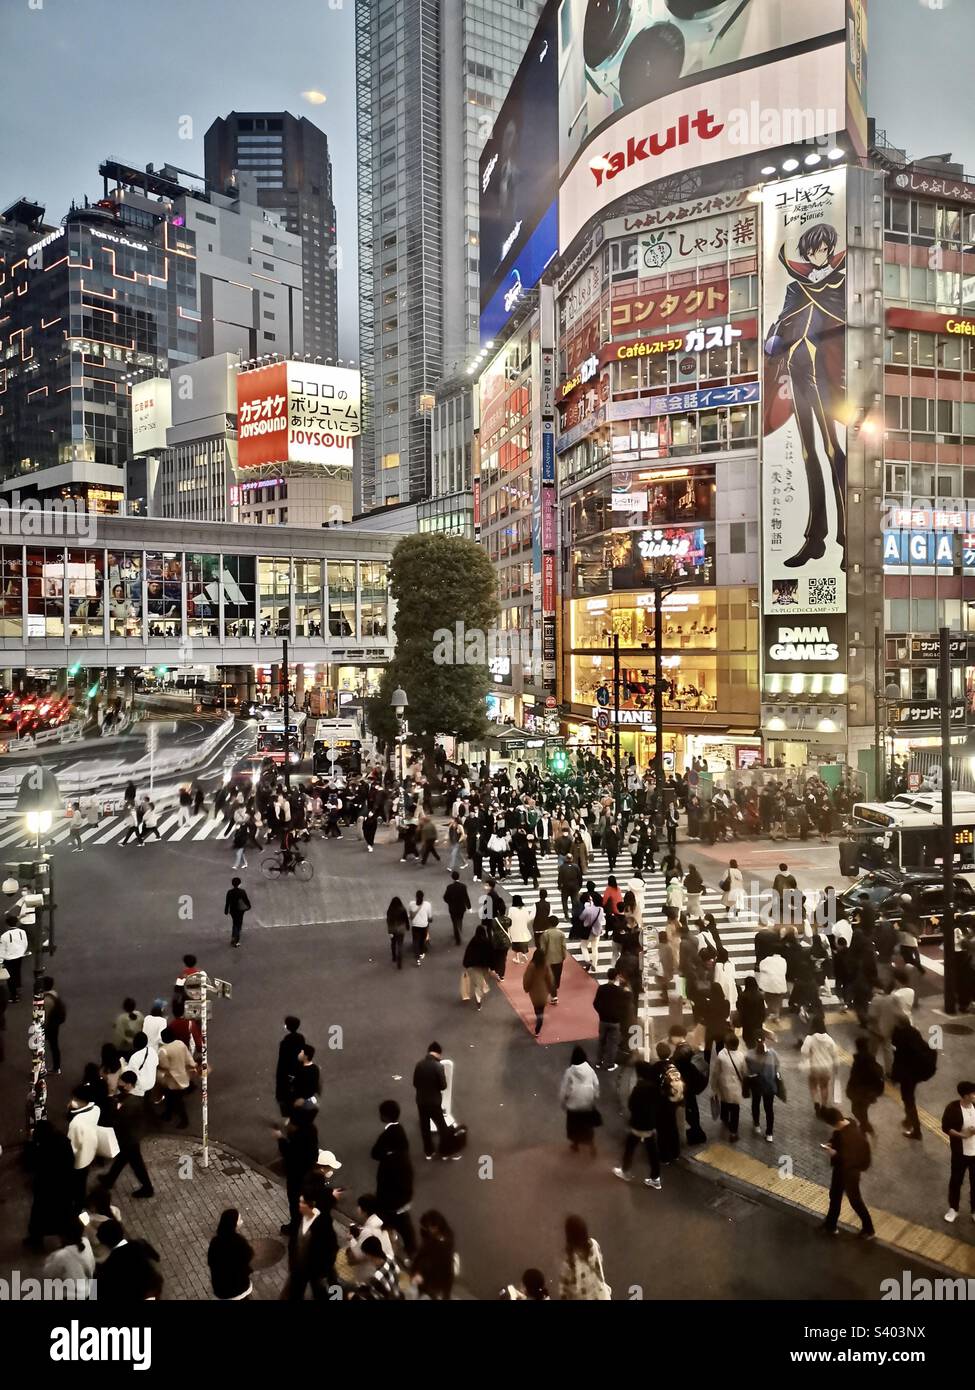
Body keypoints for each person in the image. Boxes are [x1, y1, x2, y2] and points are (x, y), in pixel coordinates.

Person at [819, 1107, 875, 1239]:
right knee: (835, 1195)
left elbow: (849, 1159)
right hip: (841, 1170)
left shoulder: (850, 1136)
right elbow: (837, 1138)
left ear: (835, 1123)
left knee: (855, 1200)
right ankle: (830, 1225)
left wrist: (834, 1154)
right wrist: (831, 1143)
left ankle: (869, 1229)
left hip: (850, 1172)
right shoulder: (848, 1124)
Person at [371, 1099, 416, 1257]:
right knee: (402, 1218)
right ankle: (409, 1247)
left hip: (391, 1192)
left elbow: (374, 1153)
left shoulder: (386, 1135)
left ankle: (394, 1245)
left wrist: (386, 1154)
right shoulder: (401, 1132)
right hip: (404, 1187)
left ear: (384, 1115)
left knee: (394, 1218)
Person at [98, 1071, 153, 1199]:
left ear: (129, 1085)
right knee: (123, 1159)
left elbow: (119, 1120)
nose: (119, 1084)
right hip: (130, 1136)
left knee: (136, 1164)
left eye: (121, 1083)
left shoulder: (130, 1104)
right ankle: (109, 1180)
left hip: (129, 1138)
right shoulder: (133, 1098)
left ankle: (147, 1188)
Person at [613, 1060, 662, 1189]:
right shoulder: (655, 1087)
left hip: (639, 1123)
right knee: (652, 1150)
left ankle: (625, 1170)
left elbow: (631, 1105)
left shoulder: (639, 1088)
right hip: (650, 1123)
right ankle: (655, 1177)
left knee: (630, 1146)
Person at [285, 1189, 339, 1301]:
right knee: (295, 1293)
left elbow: (332, 1248)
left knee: (320, 1293)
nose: (299, 1204)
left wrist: (324, 1270)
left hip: (317, 1269)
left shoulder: (323, 1223)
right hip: (299, 1267)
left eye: (302, 1202)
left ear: (311, 1205)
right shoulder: (300, 1217)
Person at [274, 1107, 320, 1236]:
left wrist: (280, 1139)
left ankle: (295, 1227)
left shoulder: (298, 1137)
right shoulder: (311, 1130)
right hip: (307, 1173)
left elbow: (289, 1152)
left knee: (295, 1202)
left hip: (296, 1175)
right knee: (305, 1201)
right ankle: (304, 1224)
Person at [891, 1019, 937, 1141]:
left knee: (908, 1100)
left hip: (909, 1075)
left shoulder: (902, 1042)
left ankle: (916, 1131)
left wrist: (894, 1077)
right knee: (909, 1098)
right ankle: (908, 1119)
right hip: (918, 1072)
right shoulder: (914, 1034)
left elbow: (898, 1061)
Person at [96, 1219, 163, 1302]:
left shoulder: (108, 1266)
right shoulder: (140, 1244)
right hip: (153, 1289)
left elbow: (98, 1291)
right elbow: (157, 1258)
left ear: (105, 1244)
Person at [413, 1042, 456, 1160]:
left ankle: (428, 1152)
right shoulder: (439, 1066)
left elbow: (415, 1083)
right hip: (434, 1102)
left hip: (421, 1101)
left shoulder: (419, 1064)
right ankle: (445, 1152)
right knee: (442, 1127)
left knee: (424, 1127)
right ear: (438, 1053)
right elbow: (443, 1086)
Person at [941, 1081, 975, 1224]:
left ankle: (974, 1210)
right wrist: (963, 1135)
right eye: (973, 1093)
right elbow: (946, 1127)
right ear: (966, 1096)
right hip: (960, 1153)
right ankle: (953, 1208)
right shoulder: (953, 1108)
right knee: (956, 1181)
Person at [559, 1045, 600, 1155]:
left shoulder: (569, 1072)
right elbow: (596, 1085)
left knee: (574, 1126)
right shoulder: (590, 1070)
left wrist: (563, 1103)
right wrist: (594, 1097)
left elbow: (564, 1090)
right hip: (587, 1104)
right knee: (587, 1126)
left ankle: (575, 1144)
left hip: (573, 1106)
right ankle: (592, 1146)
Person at [558, 1215, 610, 1301]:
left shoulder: (569, 1262)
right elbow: (600, 1260)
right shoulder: (594, 1245)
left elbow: (564, 1289)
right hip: (600, 1295)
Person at [207, 1209, 254, 1300]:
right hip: (238, 1288)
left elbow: (210, 1262)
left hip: (221, 1289)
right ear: (234, 1224)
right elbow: (248, 1257)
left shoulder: (215, 1242)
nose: (242, 1221)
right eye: (240, 1219)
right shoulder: (240, 1242)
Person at [66, 1086, 100, 1213]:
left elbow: (72, 1147)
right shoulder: (96, 1109)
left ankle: (76, 1208)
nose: (72, 1100)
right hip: (90, 1151)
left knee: (76, 1184)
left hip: (79, 1159)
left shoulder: (76, 1123)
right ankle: (81, 1201)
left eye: (75, 1098)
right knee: (82, 1181)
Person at [709, 1032, 747, 1142]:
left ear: (727, 1045)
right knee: (735, 1110)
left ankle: (724, 1119)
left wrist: (713, 1086)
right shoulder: (741, 1056)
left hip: (723, 1085)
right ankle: (733, 1133)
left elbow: (716, 1072)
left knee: (724, 1102)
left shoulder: (721, 1055)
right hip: (736, 1088)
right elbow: (744, 1072)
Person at [411, 1209, 456, 1300]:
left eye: (433, 1227)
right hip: (428, 1276)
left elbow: (439, 1264)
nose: (431, 1229)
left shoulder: (443, 1243)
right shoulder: (431, 1236)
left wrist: (420, 1273)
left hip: (434, 1279)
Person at [156, 1027, 197, 1127]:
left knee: (177, 1100)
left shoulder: (163, 1050)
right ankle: (168, 1114)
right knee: (171, 1097)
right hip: (183, 1075)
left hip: (172, 1079)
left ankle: (183, 1120)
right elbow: (188, 1058)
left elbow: (164, 1066)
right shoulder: (180, 1044)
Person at [44, 1217, 96, 1296]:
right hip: (90, 1290)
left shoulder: (61, 1255)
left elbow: (48, 1274)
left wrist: (51, 1257)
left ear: (62, 1236)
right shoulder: (86, 1242)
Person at [846, 1035, 885, 1136]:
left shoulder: (860, 1060)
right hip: (868, 1093)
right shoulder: (870, 1059)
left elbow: (854, 1077)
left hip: (860, 1092)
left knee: (855, 1110)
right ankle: (865, 1127)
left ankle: (866, 1126)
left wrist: (850, 1089)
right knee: (863, 1110)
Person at [745, 1033, 780, 1142]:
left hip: (756, 1086)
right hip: (769, 1086)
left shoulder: (750, 1055)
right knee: (769, 1109)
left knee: (755, 1103)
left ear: (754, 1042)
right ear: (765, 1040)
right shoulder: (773, 1053)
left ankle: (756, 1125)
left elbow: (747, 1071)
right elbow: (777, 1067)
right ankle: (769, 1133)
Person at [801, 1015, 839, 1116]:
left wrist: (810, 1055)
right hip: (826, 1067)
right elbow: (835, 1054)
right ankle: (824, 1106)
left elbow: (804, 1051)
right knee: (824, 1086)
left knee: (813, 1085)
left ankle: (816, 1102)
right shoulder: (829, 1039)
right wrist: (836, 1067)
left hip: (814, 1067)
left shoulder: (810, 1038)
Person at [592, 971, 627, 1072]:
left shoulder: (602, 988)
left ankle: (599, 1061)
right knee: (612, 1043)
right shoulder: (619, 991)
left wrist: (601, 1013)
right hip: (615, 1021)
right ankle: (610, 1064)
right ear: (616, 977)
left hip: (603, 1019)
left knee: (601, 1041)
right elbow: (623, 1007)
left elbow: (595, 1003)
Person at [353, 1235, 405, 1300]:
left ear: (369, 1255)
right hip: (400, 1294)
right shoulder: (390, 1258)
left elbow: (376, 1296)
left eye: (365, 1254)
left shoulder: (377, 1277)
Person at [275, 1016, 305, 1117]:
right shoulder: (301, 1038)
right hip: (298, 1069)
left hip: (287, 1071)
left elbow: (282, 1061)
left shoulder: (285, 1042)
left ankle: (290, 1115)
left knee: (287, 1094)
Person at [522, 947, 554, 1037]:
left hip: (534, 991)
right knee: (542, 1007)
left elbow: (527, 978)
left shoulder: (532, 966)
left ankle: (539, 1020)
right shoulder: (546, 965)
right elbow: (550, 978)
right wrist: (550, 988)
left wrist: (526, 988)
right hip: (544, 990)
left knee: (537, 1008)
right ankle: (540, 1018)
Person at [462, 923, 493, 1010]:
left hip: (473, 967)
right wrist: (492, 966)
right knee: (483, 983)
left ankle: (478, 1000)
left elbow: (468, 953)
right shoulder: (487, 942)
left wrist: (466, 964)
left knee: (477, 985)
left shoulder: (473, 941)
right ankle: (479, 1000)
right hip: (485, 967)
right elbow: (492, 955)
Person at [0, 912, 29, 1003]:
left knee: (10, 976)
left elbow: (1, 950)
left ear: (7, 925)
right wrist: (22, 951)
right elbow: (25, 943)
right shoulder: (22, 932)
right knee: (17, 972)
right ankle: (18, 987)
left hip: (9, 959)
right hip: (19, 956)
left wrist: (0, 962)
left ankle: (14, 996)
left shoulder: (4, 936)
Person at [539, 918, 567, 1005]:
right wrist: (564, 956)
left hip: (548, 960)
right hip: (559, 959)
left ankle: (553, 996)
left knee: (548, 978)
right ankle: (553, 993)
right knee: (556, 977)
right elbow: (563, 946)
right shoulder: (561, 933)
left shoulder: (545, 934)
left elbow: (542, 948)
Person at [757, 946, 789, 1022]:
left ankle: (772, 1013)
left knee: (769, 999)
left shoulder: (765, 960)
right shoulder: (783, 960)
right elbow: (784, 971)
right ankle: (776, 1015)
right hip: (780, 984)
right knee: (778, 1000)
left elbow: (761, 968)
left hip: (768, 985)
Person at [42, 976, 66, 1074]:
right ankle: (56, 1067)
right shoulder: (54, 994)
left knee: (46, 1046)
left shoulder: (47, 1000)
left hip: (49, 1027)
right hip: (55, 1025)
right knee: (54, 1046)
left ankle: (53, 1068)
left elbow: (45, 1016)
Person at [443, 872, 471, 947]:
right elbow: (466, 897)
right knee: (460, 919)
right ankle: (459, 929)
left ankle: (457, 935)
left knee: (454, 921)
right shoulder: (463, 886)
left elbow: (445, 897)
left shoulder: (449, 887)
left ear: (452, 878)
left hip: (452, 908)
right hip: (461, 907)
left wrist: (449, 902)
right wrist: (469, 906)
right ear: (459, 877)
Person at [224, 877, 252, 948]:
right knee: (239, 924)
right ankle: (236, 941)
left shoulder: (229, 892)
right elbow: (246, 900)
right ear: (239, 883)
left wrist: (226, 910)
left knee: (234, 922)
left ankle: (233, 936)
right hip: (240, 910)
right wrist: (249, 906)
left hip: (233, 911)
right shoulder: (242, 891)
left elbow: (227, 902)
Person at [408, 890, 433, 967]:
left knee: (415, 941)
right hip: (424, 926)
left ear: (416, 896)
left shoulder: (411, 904)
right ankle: (421, 952)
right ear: (423, 896)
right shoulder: (427, 905)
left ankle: (417, 958)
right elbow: (430, 917)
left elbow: (410, 915)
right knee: (422, 940)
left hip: (415, 925)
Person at [507, 894, 533, 964]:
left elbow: (509, 919)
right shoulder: (525, 909)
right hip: (523, 929)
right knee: (523, 942)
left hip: (514, 929)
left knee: (515, 945)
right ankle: (524, 954)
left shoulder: (511, 909)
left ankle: (517, 958)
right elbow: (528, 919)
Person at [386, 896, 408, 971]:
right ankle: (400, 961)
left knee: (393, 943)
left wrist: (389, 931)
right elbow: (406, 919)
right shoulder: (402, 909)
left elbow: (388, 921)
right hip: (401, 929)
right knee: (400, 944)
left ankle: (394, 957)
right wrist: (407, 926)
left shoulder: (390, 910)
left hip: (392, 929)